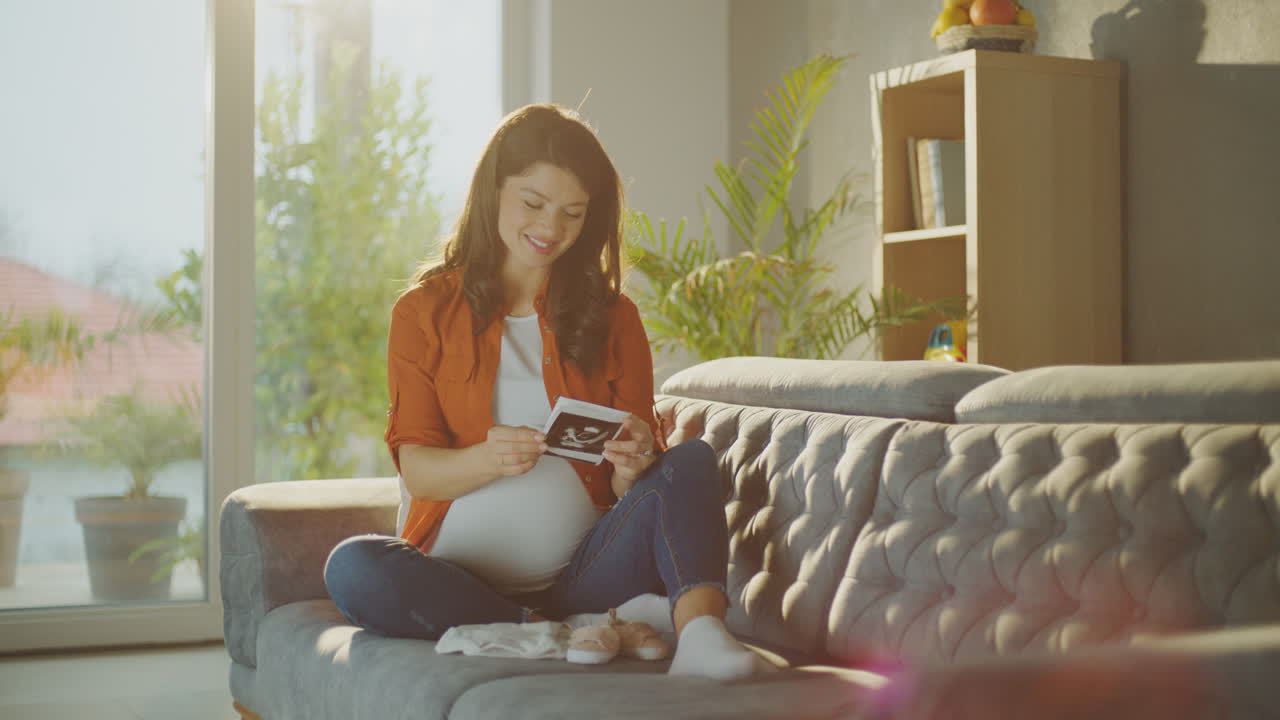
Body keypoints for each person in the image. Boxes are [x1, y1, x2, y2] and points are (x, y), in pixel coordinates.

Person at [323, 103, 770, 681]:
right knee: (354, 567)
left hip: (588, 571)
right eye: (533, 203)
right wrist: (488, 459)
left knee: (690, 462)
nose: (550, 229)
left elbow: (628, 484)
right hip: (453, 577)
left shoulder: (616, 318)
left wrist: (633, 464)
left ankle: (702, 635)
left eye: (572, 213)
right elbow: (420, 473)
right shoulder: (423, 312)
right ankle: (556, 628)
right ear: (493, 191)